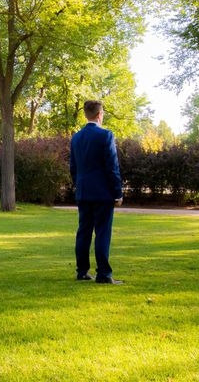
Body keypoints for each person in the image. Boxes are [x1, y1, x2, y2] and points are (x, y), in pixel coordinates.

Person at [69, 100, 124, 285]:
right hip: (102, 193)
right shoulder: (106, 135)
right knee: (102, 232)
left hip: (83, 192)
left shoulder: (76, 138)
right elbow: (112, 166)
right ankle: (104, 274)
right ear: (99, 115)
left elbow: (73, 168)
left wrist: (79, 185)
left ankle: (82, 271)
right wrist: (118, 192)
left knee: (83, 232)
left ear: (86, 114)